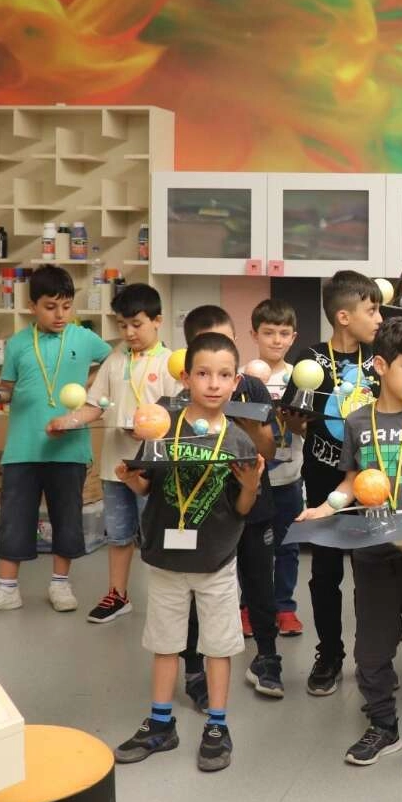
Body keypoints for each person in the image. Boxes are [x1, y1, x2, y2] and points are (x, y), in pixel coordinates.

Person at [299, 317, 402, 778]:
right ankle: (383, 725)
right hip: (371, 550)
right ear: (382, 366)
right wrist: (323, 508)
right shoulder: (356, 421)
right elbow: (350, 482)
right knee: (371, 647)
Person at [112, 331, 263, 773]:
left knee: (218, 645)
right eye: (203, 374)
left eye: (223, 375)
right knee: (164, 643)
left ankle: (217, 725)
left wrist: (251, 484)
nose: (213, 384)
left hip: (216, 560)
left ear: (235, 382)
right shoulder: (161, 429)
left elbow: (242, 508)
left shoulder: (238, 441)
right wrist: (131, 480)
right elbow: (148, 487)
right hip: (165, 558)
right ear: (186, 377)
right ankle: (161, 723)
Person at [0, 265, 111, 616]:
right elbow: (8, 390)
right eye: (50, 307)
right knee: (13, 518)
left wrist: (92, 389)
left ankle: (60, 584)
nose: (60, 315)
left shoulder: (85, 339)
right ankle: (6, 589)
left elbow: (114, 366)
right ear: (32, 307)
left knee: (67, 518)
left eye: (66, 306)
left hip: (69, 448)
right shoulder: (17, 344)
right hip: (22, 448)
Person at [281, 271, 383, 698]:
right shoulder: (309, 359)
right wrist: (294, 423)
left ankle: (371, 656)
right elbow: (293, 420)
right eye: (371, 310)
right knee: (324, 573)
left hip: (371, 484)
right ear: (344, 316)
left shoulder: (379, 360)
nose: (379, 318)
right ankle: (329, 653)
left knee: (370, 573)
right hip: (323, 481)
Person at [176, 306, 281, 703]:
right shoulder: (180, 400)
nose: (215, 380)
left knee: (260, 584)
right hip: (202, 512)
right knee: (195, 592)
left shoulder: (251, 388)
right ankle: (193, 668)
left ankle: (267, 657)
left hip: (253, 506)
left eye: (225, 342)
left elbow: (270, 449)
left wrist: (252, 428)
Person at [74, 283, 173, 624]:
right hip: (114, 467)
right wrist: (67, 421)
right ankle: (117, 595)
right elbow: (94, 405)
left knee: (156, 536)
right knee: (118, 535)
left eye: (137, 324)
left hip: (154, 466)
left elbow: (179, 416)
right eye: (122, 325)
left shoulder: (171, 362)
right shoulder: (114, 360)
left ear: (157, 321)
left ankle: (166, 599)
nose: (129, 333)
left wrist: (151, 429)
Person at [252, 298, 305, 638]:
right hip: (252, 478)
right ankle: (249, 607)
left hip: (289, 477)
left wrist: (297, 423)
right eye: (268, 332)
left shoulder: (301, 378)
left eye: (284, 333)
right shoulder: (242, 377)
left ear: (293, 337)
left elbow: (308, 430)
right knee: (252, 547)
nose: (276, 340)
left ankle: (285, 607)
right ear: (254, 334)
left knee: (288, 546)